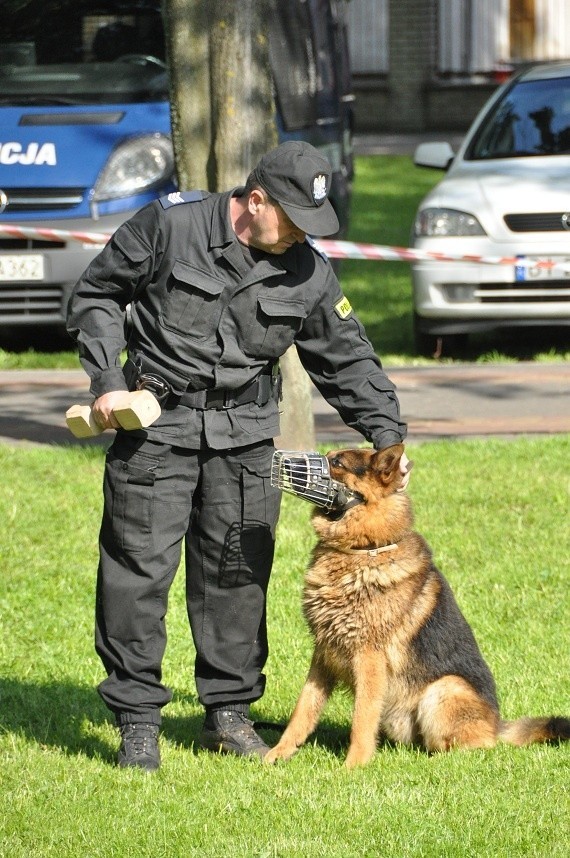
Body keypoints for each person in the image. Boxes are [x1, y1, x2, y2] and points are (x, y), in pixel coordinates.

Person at [67, 140, 410, 771]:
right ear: (256, 201)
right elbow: (95, 296)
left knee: (237, 576)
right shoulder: (170, 227)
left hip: (247, 433)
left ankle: (228, 713)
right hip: (156, 426)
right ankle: (138, 719)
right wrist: (107, 382)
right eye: (296, 222)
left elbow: (346, 355)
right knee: (136, 574)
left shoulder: (307, 269)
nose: (303, 238)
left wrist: (387, 434)